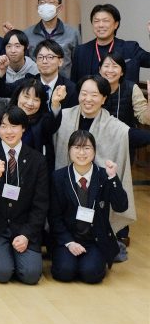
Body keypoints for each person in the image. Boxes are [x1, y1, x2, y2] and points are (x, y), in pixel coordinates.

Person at [52, 76, 136, 240]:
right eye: (84, 93)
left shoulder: (114, 126)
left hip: (96, 191)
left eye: (94, 95)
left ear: (104, 98)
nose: (88, 99)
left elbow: (135, 136)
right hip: (67, 187)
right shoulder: (64, 116)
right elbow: (47, 126)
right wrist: (55, 105)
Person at [0, 107, 48, 284]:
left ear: (23, 128)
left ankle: (18, 256)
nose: (9, 131)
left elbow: (41, 203)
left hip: (23, 227)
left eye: (14, 126)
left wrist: (27, 234)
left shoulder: (37, 160)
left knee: (31, 275)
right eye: (3, 126)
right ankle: (3, 257)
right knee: (2, 273)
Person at [48, 130, 128, 284]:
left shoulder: (104, 175)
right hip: (68, 238)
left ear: (94, 151)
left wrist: (113, 177)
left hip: (95, 240)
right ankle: (72, 259)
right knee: (64, 272)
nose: (81, 153)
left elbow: (121, 206)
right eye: (77, 147)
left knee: (90, 274)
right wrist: (69, 242)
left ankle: (91, 261)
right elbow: (54, 216)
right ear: (69, 150)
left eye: (87, 148)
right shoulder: (58, 177)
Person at [71, 3, 150, 83]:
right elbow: (74, 83)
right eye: (96, 21)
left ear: (116, 24)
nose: (101, 25)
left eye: (105, 21)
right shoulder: (80, 51)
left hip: (122, 91)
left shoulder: (131, 48)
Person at [17, 0, 82, 79]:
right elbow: (23, 62)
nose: (46, 6)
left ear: (59, 8)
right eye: (42, 2)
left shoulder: (72, 33)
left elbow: (78, 63)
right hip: (35, 84)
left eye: (51, 2)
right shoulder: (27, 34)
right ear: (38, 7)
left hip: (64, 83)